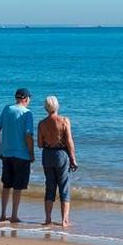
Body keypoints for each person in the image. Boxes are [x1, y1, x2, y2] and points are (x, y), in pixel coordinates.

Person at [0, 87, 35, 223]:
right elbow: (28, 135)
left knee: (6, 185)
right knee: (17, 187)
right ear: (26, 99)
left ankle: (2, 214)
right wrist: (31, 153)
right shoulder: (27, 113)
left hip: (6, 154)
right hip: (22, 155)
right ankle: (14, 215)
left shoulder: (7, 109)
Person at [37, 95, 78, 226]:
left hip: (47, 154)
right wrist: (73, 158)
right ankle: (64, 220)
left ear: (45, 108)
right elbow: (69, 141)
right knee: (64, 187)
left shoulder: (41, 124)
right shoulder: (64, 121)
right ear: (57, 106)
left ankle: (48, 218)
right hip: (61, 154)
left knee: (49, 186)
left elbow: (39, 144)